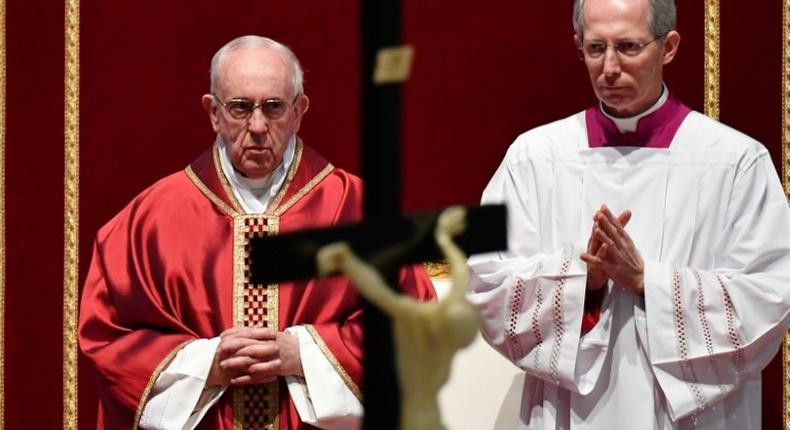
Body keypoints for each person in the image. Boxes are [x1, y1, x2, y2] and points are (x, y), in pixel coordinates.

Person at [78, 35, 436, 430]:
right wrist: (208, 364)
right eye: (240, 108)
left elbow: (412, 325)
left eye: (274, 107)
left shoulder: (358, 210)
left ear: (299, 111)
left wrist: (302, 353)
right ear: (213, 112)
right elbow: (108, 338)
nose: (258, 126)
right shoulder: (148, 221)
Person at [467, 0, 790, 428]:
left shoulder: (735, 161)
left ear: (669, 46)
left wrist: (646, 282)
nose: (610, 67)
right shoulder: (534, 157)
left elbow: (770, 296)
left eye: (629, 46)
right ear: (578, 45)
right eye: (595, 48)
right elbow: (485, 283)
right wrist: (584, 281)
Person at [316, 207, 481, 430]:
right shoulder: (444, 351)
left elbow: (377, 291)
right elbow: (460, 276)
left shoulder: (419, 319)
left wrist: (349, 264)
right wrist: (444, 239)